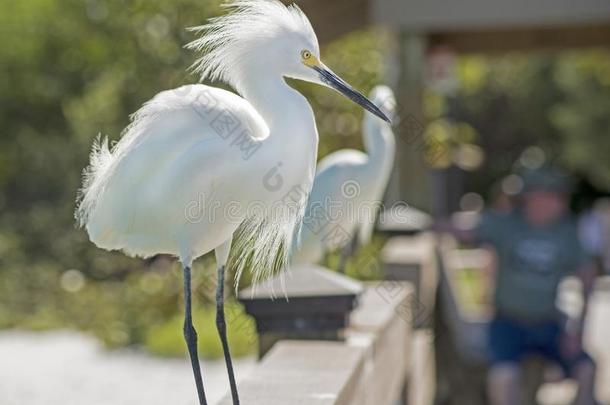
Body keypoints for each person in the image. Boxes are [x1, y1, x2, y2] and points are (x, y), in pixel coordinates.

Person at [448, 167, 598, 405]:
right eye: (553, 195)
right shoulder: (505, 224)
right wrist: (423, 223)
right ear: (532, 197)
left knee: (587, 369)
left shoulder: (567, 231)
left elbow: (587, 277)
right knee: (504, 376)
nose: (560, 202)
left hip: (549, 323)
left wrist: (578, 331)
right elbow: (465, 229)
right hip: (507, 323)